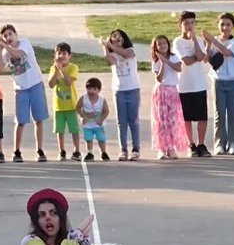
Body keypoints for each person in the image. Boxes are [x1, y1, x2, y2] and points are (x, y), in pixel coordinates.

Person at [0, 25, 48, 163]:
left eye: (10, 34)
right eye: (5, 36)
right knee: (20, 121)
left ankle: (39, 150)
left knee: (38, 119)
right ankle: (17, 151)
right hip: (21, 89)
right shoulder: (5, 52)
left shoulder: (24, 43)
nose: (8, 38)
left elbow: (18, 54)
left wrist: (5, 47)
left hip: (35, 84)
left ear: (16, 34)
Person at [204, 13, 234, 154]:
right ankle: (219, 143)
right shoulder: (215, 41)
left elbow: (226, 52)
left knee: (233, 113)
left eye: (228, 24)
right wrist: (208, 44)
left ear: (233, 26)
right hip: (218, 81)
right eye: (222, 24)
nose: (225, 27)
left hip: (233, 81)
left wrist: (212, 39)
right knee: (219, 113)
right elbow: (209, 58)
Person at [173, 11, 210, 156]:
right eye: (186, 23)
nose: (189, 26)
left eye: (192, 23)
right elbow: (186, 61)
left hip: (199, 84)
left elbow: (202, 56)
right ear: (180, 25)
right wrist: (196, 56)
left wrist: (194, 40)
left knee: (202, 117)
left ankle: (201, 144)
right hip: (184, 85)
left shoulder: (198, 40)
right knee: (187, 117)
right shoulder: (177, 42)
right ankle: (191, 144)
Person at [101, 29, 140, 161]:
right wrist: (104, 47)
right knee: (121, 122)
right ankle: (123, 149)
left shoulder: (130, 51)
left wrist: (109, 44)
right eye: (113, 37)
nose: (117, 38)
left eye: (119, 36)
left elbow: (127, 54)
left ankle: (136, 149)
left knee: (133, 121)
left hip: (133, 89)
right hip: (119, 91)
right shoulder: (113, 54)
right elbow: (109, 61)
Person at [149, 34, 187, 159]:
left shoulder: (174, 57)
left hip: (172, 91)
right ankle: (162, 148)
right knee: (162, 121)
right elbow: (159, 78)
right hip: (161, 92)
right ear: (155, 47)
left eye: (164, 43)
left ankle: (171, 148)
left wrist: (166, 60)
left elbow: (178, 68)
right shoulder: (155, 62)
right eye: (159, 44)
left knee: (173, 120)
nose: (162, 46)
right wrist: (162, 64)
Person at [49, 43, 82, 161]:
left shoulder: (73, 67)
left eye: (64, 53)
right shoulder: (53, 69)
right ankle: (61, 151)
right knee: (60, 130)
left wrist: (62, 69)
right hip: (59, 105)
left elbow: (69, 82)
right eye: (59, 53)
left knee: (74, 130)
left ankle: (77, 151)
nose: (61, 56)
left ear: (69, 56)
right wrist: (57, 70)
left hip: (71, 105)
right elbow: (51, 84)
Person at [77, 77, 110, 161]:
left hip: (98, 124)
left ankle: (103, 152)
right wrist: (82, 116)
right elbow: (78, 107)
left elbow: (106, 111)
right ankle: (90, 152)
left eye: (94, 89)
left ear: (99, 90)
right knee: (88, 139)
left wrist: (101, 119)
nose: (91, 91)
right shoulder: (83, 98)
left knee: (101, 139)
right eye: (89, 89)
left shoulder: (102, 100)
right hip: (87, 124)